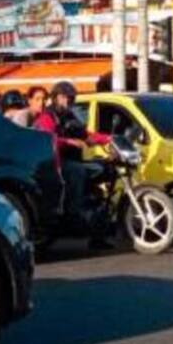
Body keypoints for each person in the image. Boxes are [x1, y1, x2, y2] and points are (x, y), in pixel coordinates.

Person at [33, 81, 110, 241]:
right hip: (55, 164)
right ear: (55, 98)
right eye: (63, 97)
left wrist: (108, 139)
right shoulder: (47, 117)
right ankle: (73, 213)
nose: (67, 101)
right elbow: (49, 139)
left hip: (71, 160)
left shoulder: (69, 116)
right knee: (77, 171)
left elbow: (86, 134)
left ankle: (98, 225)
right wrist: (69, 142)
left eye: (70, 98)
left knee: (102, 167)